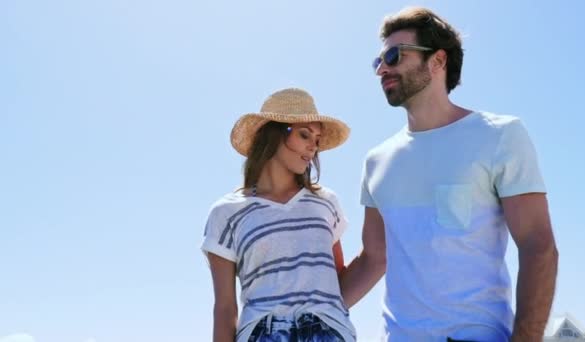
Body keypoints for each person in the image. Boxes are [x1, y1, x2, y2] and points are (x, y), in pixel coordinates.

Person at [338, 7, 559, 342]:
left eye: (394, 56)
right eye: (378, 62)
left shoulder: (499, 135)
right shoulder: (376, 161)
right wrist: (300, 313)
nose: (382, 68)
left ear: (438, 61)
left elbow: (537, 245)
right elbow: (374, 257)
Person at [201, 88, 356, 342]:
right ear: (273, 135)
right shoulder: (226, 212)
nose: (312, 147)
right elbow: (226, 309)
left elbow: (336, 282)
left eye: (317, 140)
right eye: (304, 134)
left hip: (328, 330)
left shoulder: (325, 202)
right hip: (263, 332)